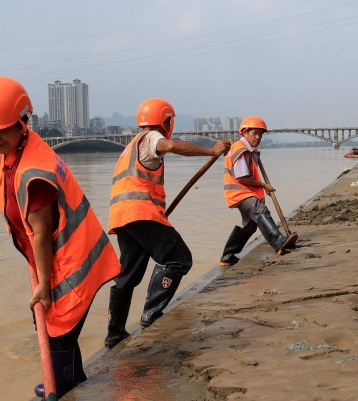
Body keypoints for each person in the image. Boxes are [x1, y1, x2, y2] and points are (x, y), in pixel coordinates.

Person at [0, 76, 120, 400]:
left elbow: (41, 235)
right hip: (65, 257)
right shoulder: (13, 149)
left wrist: (43, 284)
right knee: (58, 328)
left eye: (0, 130)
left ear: (23, 122)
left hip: (70, 263)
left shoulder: (35, 173)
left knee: (55, 329)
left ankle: (61, 391)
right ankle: (75, 380)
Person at [103, 98, 231, 348]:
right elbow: (170, 145)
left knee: (128, 274)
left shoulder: (130, 146)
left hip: (123, 216)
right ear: (165, 121)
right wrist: (211, 151)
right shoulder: (151, 137)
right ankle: (151, 315)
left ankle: (114, 334)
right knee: (179, 259)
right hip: (140, 213)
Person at [220, 116, 298, 266]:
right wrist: (264, 185)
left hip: (242, 192)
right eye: (254, 133)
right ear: (245, 132)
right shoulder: (241, 149)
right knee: (260, 210)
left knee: (250, 225)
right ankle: (278, 242)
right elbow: (242, 178)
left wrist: (254, 154)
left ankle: (227, 256)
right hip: (240, 192)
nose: (257, 137)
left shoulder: (248, 150)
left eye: (260, 134)